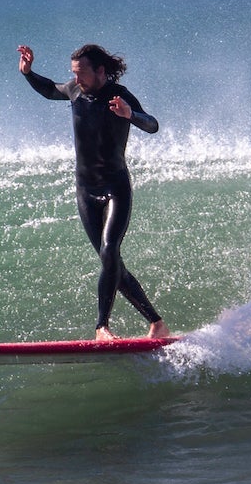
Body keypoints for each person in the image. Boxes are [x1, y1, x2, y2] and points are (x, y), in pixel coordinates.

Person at [18, 42, 169, 341]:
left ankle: (102, 327)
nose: (76, 79)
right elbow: (50, 90)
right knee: (110, 261)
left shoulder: (119, 96)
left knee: (110, 250)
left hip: (115, 187)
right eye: (73, 73)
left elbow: (152, 125)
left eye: (81, 73)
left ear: (100, 71)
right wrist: (28, 73)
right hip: (85, 190)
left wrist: (130, 114)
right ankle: (157, 324)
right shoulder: (75, 91)